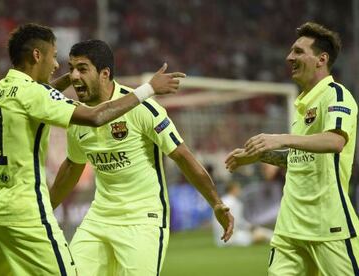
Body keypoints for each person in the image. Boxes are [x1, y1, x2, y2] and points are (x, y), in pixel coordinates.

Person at [0, 23, 185, 276]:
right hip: (26, 211)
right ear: (37, 56)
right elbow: (96, 117)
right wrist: (148, 89)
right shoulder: (34, 95)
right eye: (53, 57)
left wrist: (75, 78)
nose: (55, 66)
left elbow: (40, 95)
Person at [49, 39, 234, 276]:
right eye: (71, 68)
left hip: (142, 219)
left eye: (82, 69)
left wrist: (216, 203)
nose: (74, 76)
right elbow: (73, 166)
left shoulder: (144, 108)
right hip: (99, 217)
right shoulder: (79, 117)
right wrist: (43, 211)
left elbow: (182, 156)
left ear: (104, 73)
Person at [225, 22, 359, 275]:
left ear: (321, 59)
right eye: (290, 52)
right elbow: (300, 157)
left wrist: (281, 138)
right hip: (289, 228)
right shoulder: (302, 106)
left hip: (328, 226)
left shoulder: (336, 95)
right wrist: (258, 156)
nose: (289, 57)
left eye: (298, 51)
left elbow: (335, 141)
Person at [212, 181, 273, 247]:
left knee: (258, 233)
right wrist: (250, 226)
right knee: (261, 233)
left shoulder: (221, 201)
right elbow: (237, 222)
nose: (239, 190)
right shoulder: (235, 202)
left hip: (219, 240)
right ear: (233, 189)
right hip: (233, 238)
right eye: (238, 188)